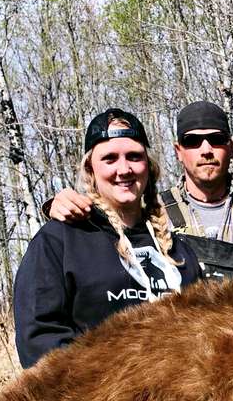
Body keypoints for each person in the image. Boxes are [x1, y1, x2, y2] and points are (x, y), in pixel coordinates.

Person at [13, 108, 200, 368]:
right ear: (91, 168)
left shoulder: (179, 252)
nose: (123, 169)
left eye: (134, 157)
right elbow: (40, 341)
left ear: (149, 166)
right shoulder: (60, 241)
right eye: (110, 159)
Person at [48, 100, 233, 281]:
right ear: (178, 151)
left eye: (216, 139)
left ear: (231, 147)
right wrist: (55, 205)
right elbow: (101, 232)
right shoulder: (151, 212)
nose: (206, 149)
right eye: (193, 141)